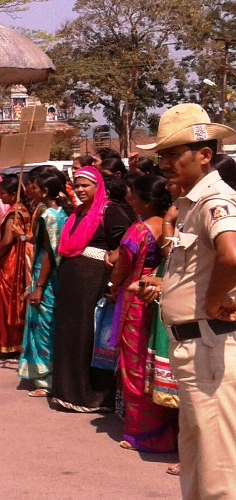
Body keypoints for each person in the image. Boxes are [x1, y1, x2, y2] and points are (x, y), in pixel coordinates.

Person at [137, 103, 236, 497]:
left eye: (172, 155)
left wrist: (213, 300)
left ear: (204, 155)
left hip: (209, 344)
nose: (164, 163)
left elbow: (232, 255)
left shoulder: (215, 201)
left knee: (218, 469)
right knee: (197, 459)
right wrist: (165, 289)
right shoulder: (193, 203)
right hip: (194, 346)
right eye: (161, 155)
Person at [50, 166, 133, 412]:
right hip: (72, 285)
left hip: (94, 283)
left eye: (85, 185)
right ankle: (69, 392)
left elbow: (125, 245)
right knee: (70, 335)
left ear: (98, 187)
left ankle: (93, 396)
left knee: (89, 335)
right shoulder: (77, 213)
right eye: (76, 186)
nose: (80, 190)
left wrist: (112, 274)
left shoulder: (110, 211)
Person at [108, 174, 178, 453]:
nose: (129, 198)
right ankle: (166, 428)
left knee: (136, 370)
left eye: (134, 194)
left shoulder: (138, 231)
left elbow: (121, 267)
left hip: (136, 304)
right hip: (162, 299)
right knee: (158, 367)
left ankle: (144, 434)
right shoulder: (170, 227)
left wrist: (113, 287)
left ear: (146, 200)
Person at [17, 169, 70, 397]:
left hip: (45, 277)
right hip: (57, 277)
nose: (29, 191)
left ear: (45, 190)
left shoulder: (48, 216)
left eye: (34, 187)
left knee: (42, 327)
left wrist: (38, 286)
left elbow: (48, 253)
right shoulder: (65, 212)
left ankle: (45, 379)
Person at [0, 176, 31, 354]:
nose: (0, 195)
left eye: (3, 193)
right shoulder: (23, 210)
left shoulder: (15, 212)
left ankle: (10, 343)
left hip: (12, 259)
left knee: (9, 301)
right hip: (17, 257)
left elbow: (7, 240)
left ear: (14, 195)